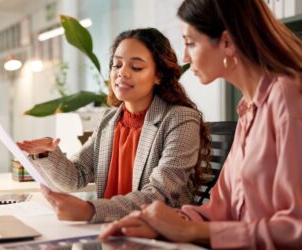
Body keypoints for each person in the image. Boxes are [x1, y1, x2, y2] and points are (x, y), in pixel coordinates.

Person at [99, 0, 302, 249]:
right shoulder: (248, 110)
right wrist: (161, 225)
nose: (184, 56)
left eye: (190, 43)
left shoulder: (287, 96)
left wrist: (189, 229)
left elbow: (296, 227)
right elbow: (220, 209)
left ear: (226, 43)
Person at [17, 28, 210, 223]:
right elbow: (76, 177)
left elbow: (160, 195)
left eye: (136, 67)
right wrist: (47, 153)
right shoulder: (109, 120)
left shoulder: (180, 119)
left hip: (156, 235)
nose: (122, 73)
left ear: (158, 76)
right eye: (117, 65)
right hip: (110, 231)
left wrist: (90, 210)